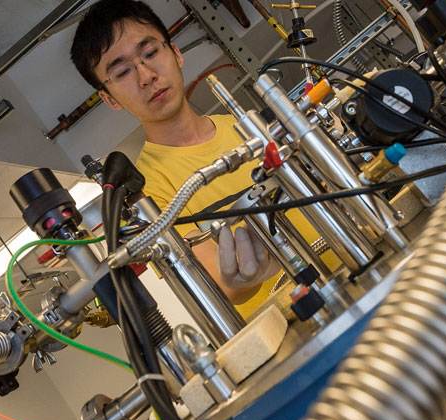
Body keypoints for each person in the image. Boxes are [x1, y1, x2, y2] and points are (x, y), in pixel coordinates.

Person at [70, 0, 291, 318]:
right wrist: (243, 279)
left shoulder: (251, 127)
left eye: (150, 54)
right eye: (122, 72)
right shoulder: (145, 195)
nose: (146, 76)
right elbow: (222, 288)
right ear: (109, 98)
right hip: (289, 328)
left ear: (175, 53)